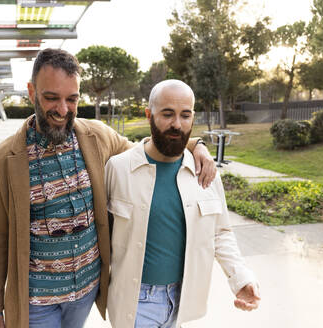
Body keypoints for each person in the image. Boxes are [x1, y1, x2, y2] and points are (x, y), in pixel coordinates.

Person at [0, 49, 216, 328]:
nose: (63, 109)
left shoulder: (96, 137)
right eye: (51, 98)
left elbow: (148, 150)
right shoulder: (5, 158)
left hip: (85, 295)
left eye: (72, 99)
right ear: (32, 92)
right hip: (37, 301)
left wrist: (193, 143)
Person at [105, 80, 260, 328]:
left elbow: (220, 233)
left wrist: (240, 278)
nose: (177, 124)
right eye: (167, 114)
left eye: (185, 115)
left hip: (184, 301)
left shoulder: (205, 173)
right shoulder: (118, 168)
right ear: (149, 115)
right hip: (136, 304)